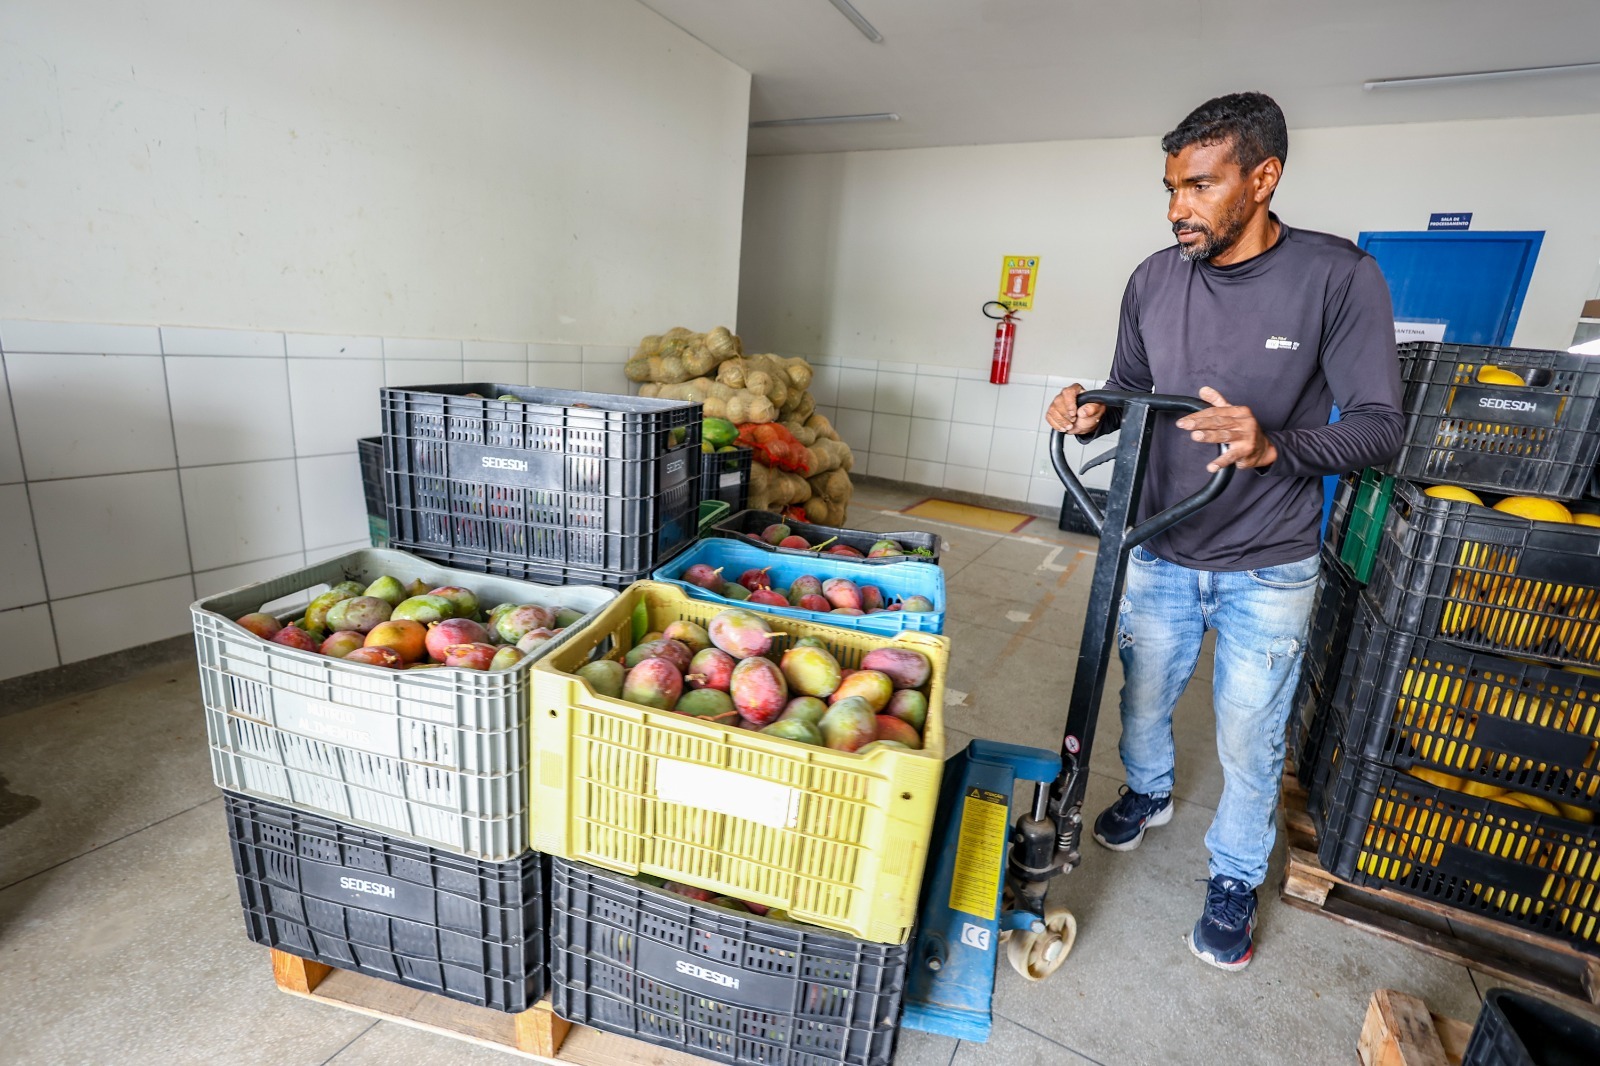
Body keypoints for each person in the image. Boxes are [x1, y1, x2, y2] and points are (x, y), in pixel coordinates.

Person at [1045, 92, 1403, 971]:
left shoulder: (1339, 277)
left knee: (1251, 735)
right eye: (1171, 187)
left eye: (1200, 186)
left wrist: (1274, 443)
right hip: (1159, 544)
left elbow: (1380, 427)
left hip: (1267, 563)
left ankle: (1236, 877)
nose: (1178, 208)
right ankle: (1151, 791)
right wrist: (1090, 409)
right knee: (1141, 699)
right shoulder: (1154, 278)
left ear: (1263, 178)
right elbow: (1130, 386)